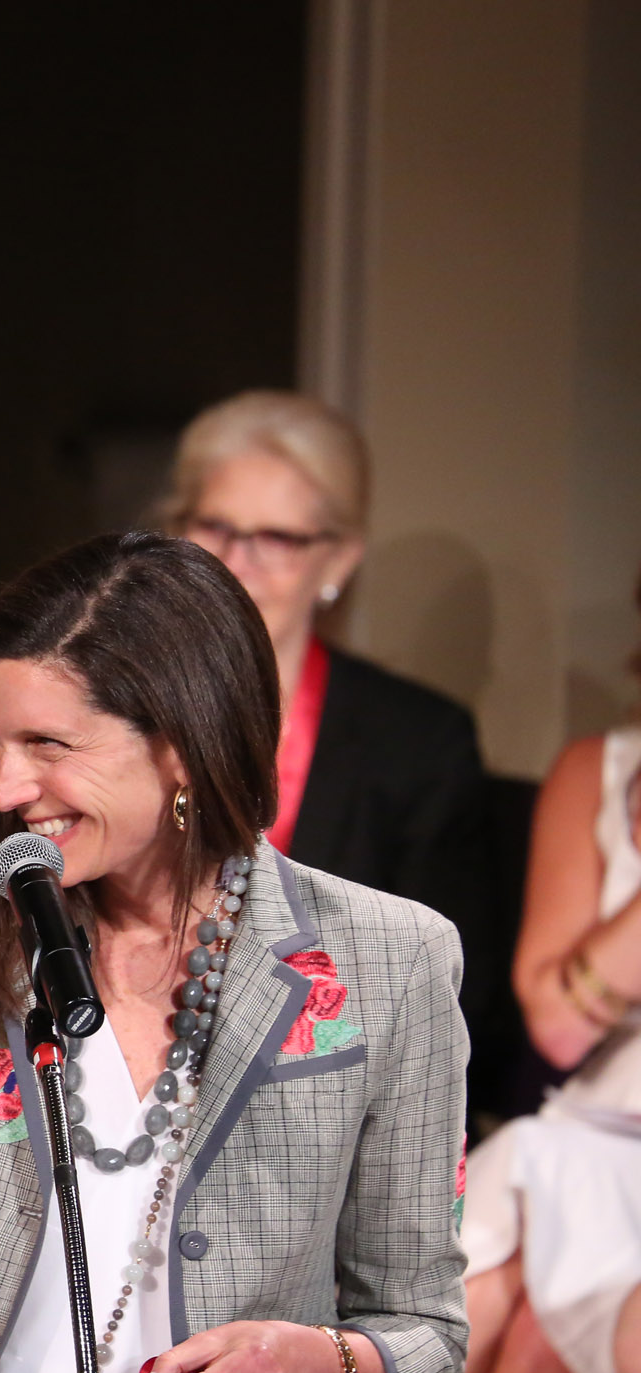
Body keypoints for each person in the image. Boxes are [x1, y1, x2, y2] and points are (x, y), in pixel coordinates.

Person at [0, 530, 468, 1373]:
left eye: (49, 744)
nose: (5, 786)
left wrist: (316, 1362)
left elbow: (427, 1329)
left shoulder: (392, 958)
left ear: (184, 747)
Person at [162, 393, 498, 1089]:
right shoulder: (110, 713)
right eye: (216, 526)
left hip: (331, 1107)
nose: (237, 562)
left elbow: (450, 997)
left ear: (338, 560)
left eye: (277, 539)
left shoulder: (417, 741)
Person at [429, 564, 641, 1373]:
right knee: (505, 1289)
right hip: (591, 1132)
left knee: (530, 1292)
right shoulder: (600, 772)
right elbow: (555, 1022)